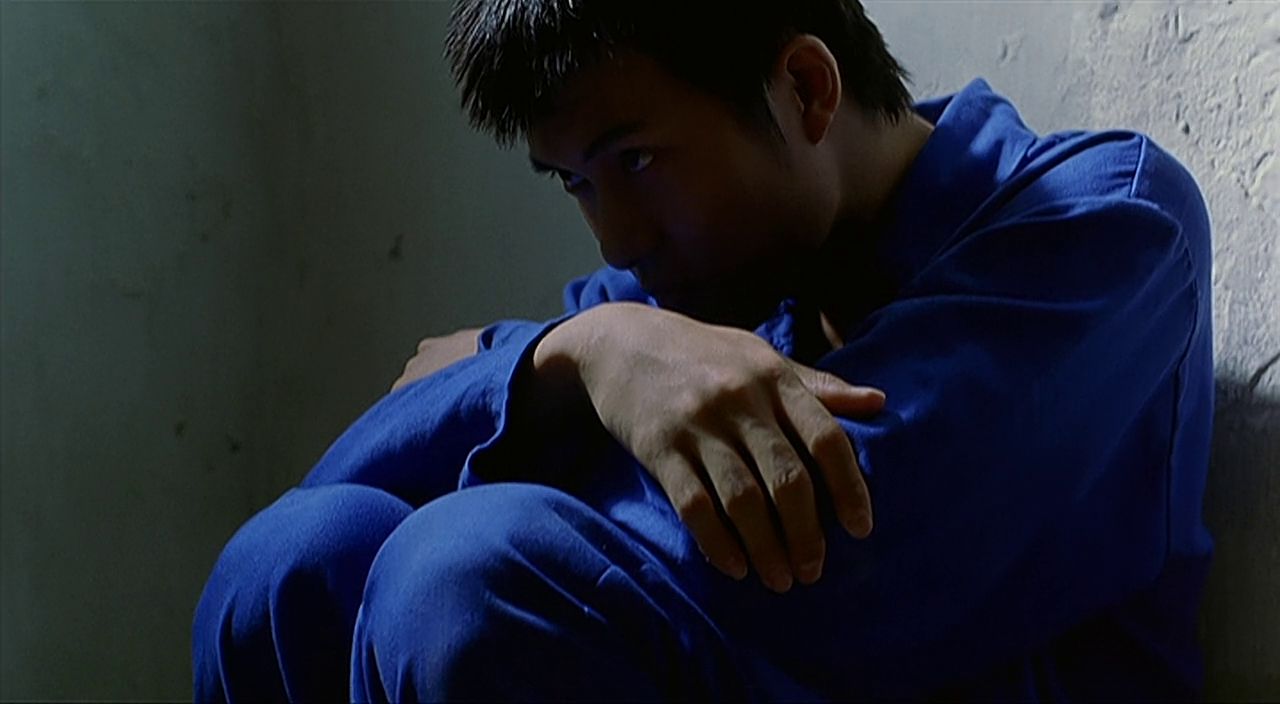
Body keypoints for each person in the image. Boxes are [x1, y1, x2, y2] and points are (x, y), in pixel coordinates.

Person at [192, 0, 1215, 700]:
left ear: (806, 88)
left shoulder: (1106, 220)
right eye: (577, 182)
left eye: (636, 160)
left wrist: (531, 380)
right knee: (293, 560)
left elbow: (830, 557)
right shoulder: (670, 302)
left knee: (461, 572)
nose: (615, 240)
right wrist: (576, 355)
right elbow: (340, 476)